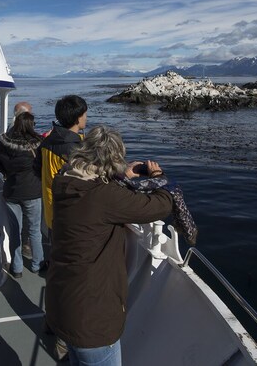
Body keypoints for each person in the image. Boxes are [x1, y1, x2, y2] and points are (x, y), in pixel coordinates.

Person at [45, 126, 197, 366]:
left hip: (62, 304)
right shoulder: (102, 196)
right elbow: (158, 206)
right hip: (92, 321)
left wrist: (122, 174)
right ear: (113, 160)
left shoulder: (65, 180)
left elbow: (99, 191)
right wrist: (158, 178)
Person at [0, 111, 44, 278]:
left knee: (14, 231)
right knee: (34, 230)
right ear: (30, 126)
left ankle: (17, 268)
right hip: (32, 192)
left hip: (11, 191)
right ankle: (37, 264)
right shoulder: (37, 144)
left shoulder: (4, 144)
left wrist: (3, 170)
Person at [36, 95, 87, 231]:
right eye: (84, 114)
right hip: (69, 215)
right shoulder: (74, 149)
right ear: (77, 118)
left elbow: (37, 169)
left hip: (51, 211)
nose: (86, 117)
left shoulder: (47, 141)